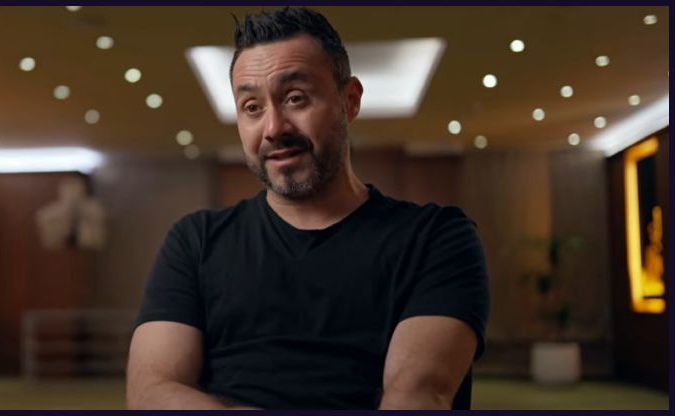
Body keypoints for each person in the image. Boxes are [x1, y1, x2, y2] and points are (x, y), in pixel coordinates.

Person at [126, 7, 489, 410]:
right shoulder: (196, 242)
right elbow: (150, 392)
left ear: (350, 100)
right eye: (252, 107)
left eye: (295, 98)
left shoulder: (436, 238)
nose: (273, 128)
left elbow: (417, 395)